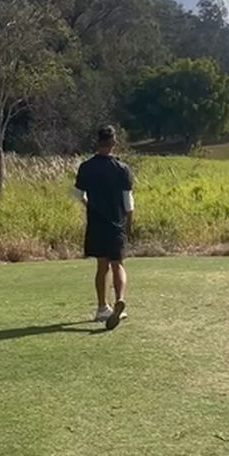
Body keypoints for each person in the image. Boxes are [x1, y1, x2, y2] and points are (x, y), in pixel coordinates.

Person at [72, 125, 135, 330]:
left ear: (97, 142)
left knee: (102, 266)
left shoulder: (86, 167)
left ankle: (102, 307)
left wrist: (89, 205)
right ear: (114, 143)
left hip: (96, 222)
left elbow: (78, 195)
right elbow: (128, 202)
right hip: (116, 223)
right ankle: (120, 301)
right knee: (118, 264)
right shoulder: (122, 169)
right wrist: (129, 226)